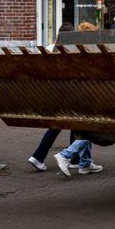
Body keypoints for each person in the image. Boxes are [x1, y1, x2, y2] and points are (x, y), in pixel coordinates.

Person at [27, 21, 96, 171]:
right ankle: (66, 157)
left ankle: (41, 156)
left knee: (62, 125)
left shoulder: (49, 48)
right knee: (75, 124)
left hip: (54, 92)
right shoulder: (71, 50)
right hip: (69, 92)